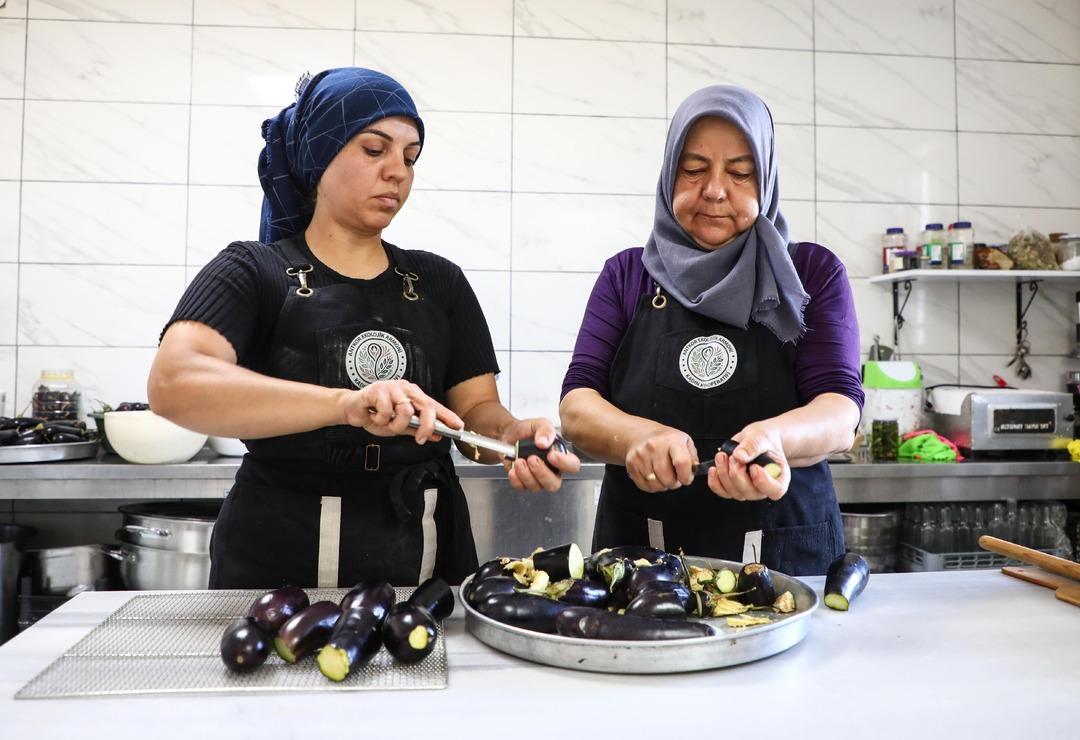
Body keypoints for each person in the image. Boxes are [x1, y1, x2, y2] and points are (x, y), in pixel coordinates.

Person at [148, 68, 579, 589]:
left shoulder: (439, 282)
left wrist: (511, 438)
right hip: (275, 577)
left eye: (410, 157)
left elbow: (475, 417)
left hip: (422, 573)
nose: (397, 171)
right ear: (319, 156)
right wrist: (345, 404)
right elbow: (174, 383)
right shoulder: (253, 271)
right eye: (375, 150)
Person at [559, 85, 863, 576]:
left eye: (741, 173)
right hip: (641, 560)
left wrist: (773, 438)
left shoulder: (811, 273)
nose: (716, 190)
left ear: (766, 179)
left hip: (783, 558)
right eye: (694, 169)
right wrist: (637, 436)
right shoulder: (627, 276)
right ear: (668, 174)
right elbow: (577, 406)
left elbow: (841, 411)